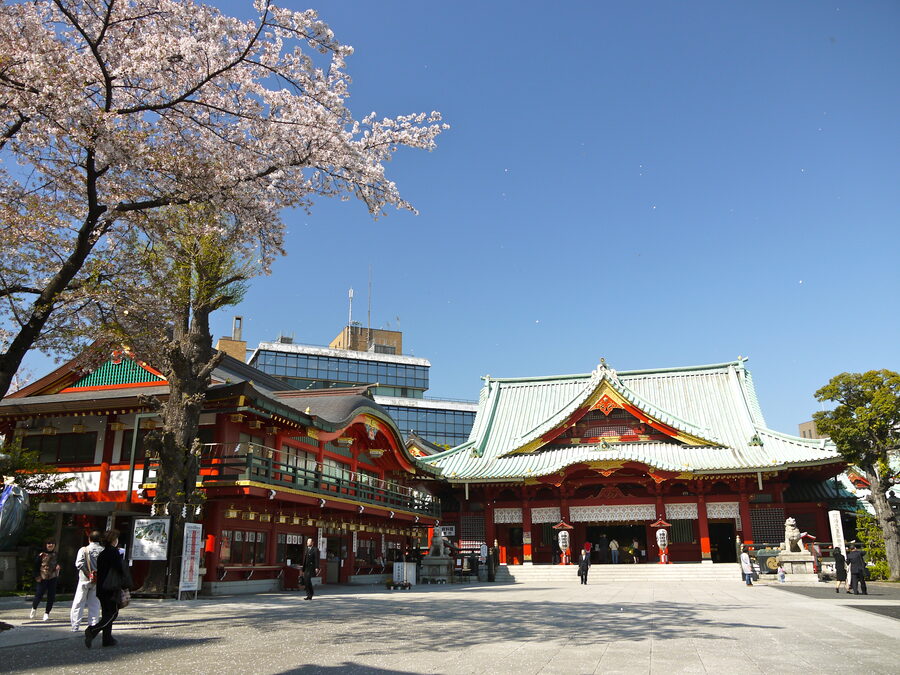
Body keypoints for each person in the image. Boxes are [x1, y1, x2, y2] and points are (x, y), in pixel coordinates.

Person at [85, 529, 128, 648]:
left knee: (106, 612)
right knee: (113, 613)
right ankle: (93, 630)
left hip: (101, 587)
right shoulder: (114, 553)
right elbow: (119, 570)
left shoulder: (103, 553)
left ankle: (107, 638)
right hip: (112, 587)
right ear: (114, 540)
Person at [70, 530, 103, 632]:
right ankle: (93, 625)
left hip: (84, 579)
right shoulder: (103, 550)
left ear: (89, 539)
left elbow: (79, 564)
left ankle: (75, 626)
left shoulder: (83, 550)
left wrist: (88, 573)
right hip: (98, 580)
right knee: (95, 604)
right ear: (100, 540)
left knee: (78, 603)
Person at [30, 538, 60, 621]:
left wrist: (58, 567)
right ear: (46, 545)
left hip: (53, 577)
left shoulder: (56, 554)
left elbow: (58, 563)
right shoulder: (41, 555)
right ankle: (34, 608)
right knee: (39, 594)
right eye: (49, 543)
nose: (50, 545)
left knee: (51, 596)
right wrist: (37, 576)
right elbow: (35, 566)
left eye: (52, 543)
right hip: (42, 577)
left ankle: (47, 613)